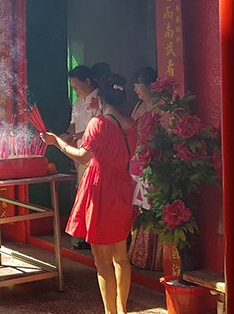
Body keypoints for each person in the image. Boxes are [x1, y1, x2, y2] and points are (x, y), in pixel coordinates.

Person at [42, 73, 137, 314]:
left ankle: (110, 312)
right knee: (121, 257)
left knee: (102, 260)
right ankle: (122, 309)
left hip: (100, 187)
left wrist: (58, 143)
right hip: (123, 186)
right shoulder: (130, 125)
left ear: (102, 99)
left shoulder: (99, 123)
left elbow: (83, 156)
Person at [61, 65, 101, 250]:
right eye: (73, 87)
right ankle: (85, 234)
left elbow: (101, 128)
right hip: (80, 153)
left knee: (94, 192)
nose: (75, 89)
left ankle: (96, 235)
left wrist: (75, 136)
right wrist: (64, 136)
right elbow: (73, 125)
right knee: (83, 191)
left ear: (88, 81)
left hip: (95, 154)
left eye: (78, 85)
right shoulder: (78, 102)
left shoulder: (101, 100)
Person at [128, 67, 164, 271]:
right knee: (138, 207)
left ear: (150, 85)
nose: (135, 91)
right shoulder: (139, 105)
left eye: (138, 86)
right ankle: (137, 251)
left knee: (151, 205)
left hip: (152, 161)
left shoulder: (160, 106)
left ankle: (153, 256)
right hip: (136, 160)